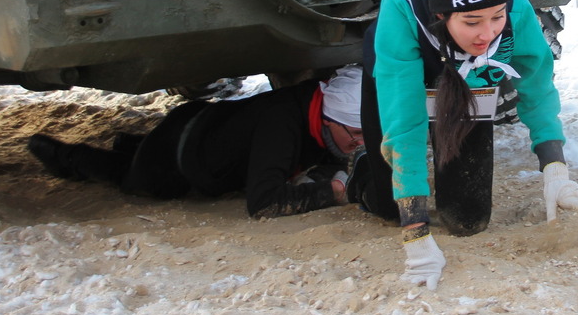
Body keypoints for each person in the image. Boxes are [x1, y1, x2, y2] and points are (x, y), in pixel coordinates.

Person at [354, 0, 578, 290]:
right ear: (441, 14)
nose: (487, 34)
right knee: (390, 206)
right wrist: (415, 237)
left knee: (467, 220)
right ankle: (361, 172)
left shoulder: (513, 10)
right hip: (399, 66)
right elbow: (405, 122)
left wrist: (555, 171)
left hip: (466, 74)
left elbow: (538, 86)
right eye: (471, 22)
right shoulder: (398, 11)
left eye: (495, 17)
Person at [27, 66, 365, 218]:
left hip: (203, 125)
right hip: (180, 152)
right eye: (355, 133)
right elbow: (264, 203)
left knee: (137, 152)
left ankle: (128, 143)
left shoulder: (321, 109)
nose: (359, 141)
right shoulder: (283, 125)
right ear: (328, 118)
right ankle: (66, 157)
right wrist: (330, 193)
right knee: (129, 179)